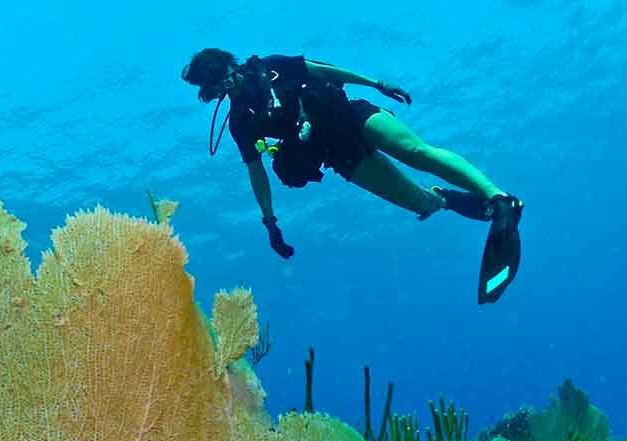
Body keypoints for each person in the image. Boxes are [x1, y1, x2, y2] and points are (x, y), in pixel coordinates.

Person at [181, 49, 524, 304]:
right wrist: (269, 222)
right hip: (336, 155)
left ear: (229, 63)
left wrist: (377, 84)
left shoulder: (272, 66)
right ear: (211, 92)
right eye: (214, 85)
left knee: (416, 151)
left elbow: (325, 70)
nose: (226, 83)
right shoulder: (241, 122)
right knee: (420, 203)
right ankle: (445, 197)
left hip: (350, 115)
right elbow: (256, 172)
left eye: (222, 73)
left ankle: (499, 199)